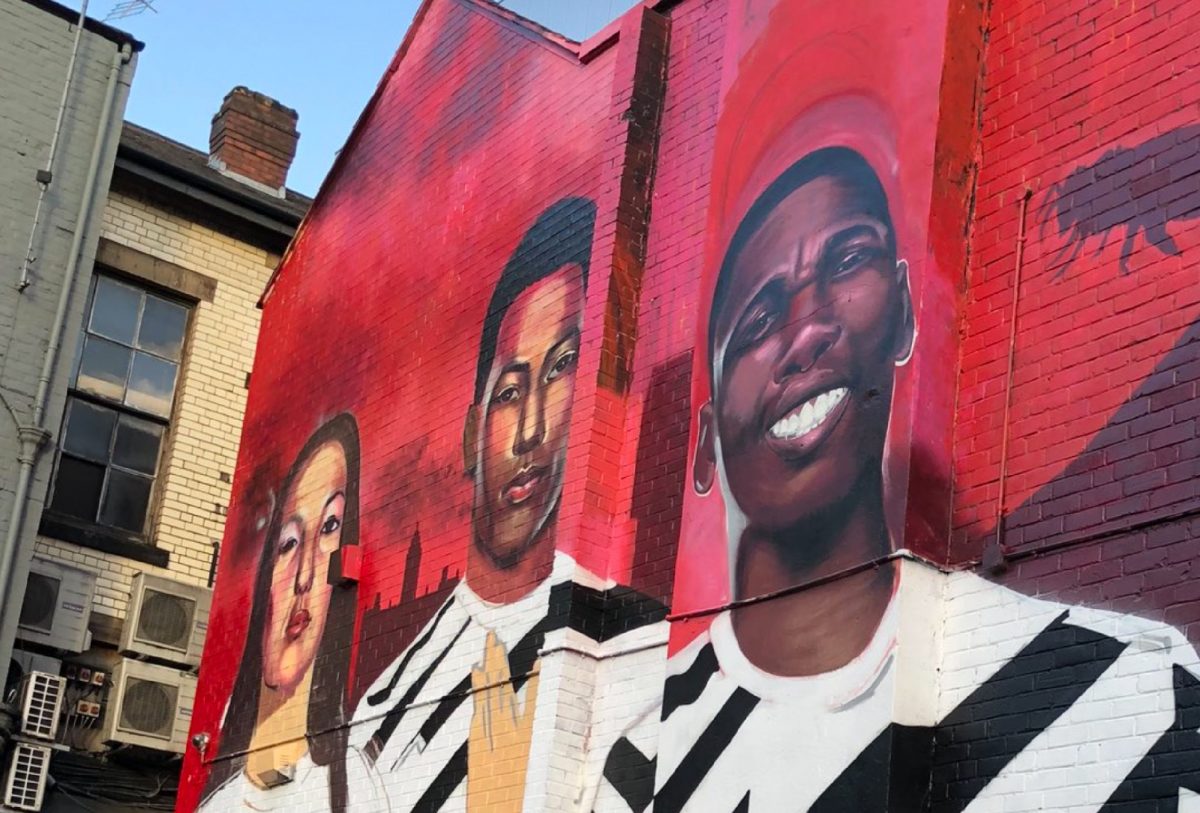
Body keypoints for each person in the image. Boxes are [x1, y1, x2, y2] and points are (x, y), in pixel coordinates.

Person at [634, 146, 1200, 812]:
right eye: (759, 320)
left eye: (847, 260)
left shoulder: (1129, 696)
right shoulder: (636, 762)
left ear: (905, 310)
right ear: (703, 444)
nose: (808, 329)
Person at [350, 197, 668, 813]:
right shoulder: (387, 692)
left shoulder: (645, 657)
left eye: (563, 368)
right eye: (510, 391)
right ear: (472, 434)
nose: (531, 431)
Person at [199, 414, 380, 812]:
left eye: (330, 527)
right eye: (289, 543)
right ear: (264, 575)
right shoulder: (216, 802)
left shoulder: (358, 790)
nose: (305, 575)